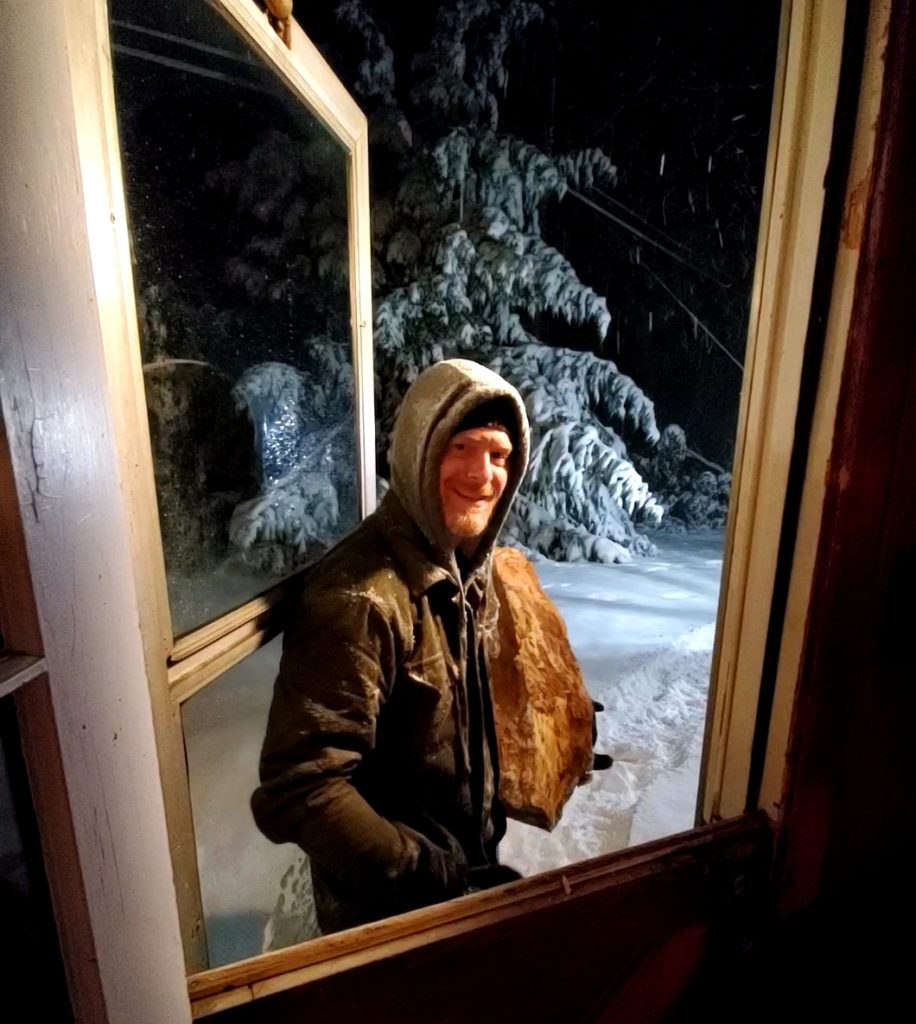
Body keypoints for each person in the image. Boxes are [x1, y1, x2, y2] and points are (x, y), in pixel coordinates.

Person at [251, 358, 531, 933]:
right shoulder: (363, 596)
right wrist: (428, 875)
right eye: (461, 447)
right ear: (418, 452)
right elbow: (301, 786)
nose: (483, 474)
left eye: (499, 455)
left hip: (456, 887)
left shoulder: (458, 572)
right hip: (388, 919)